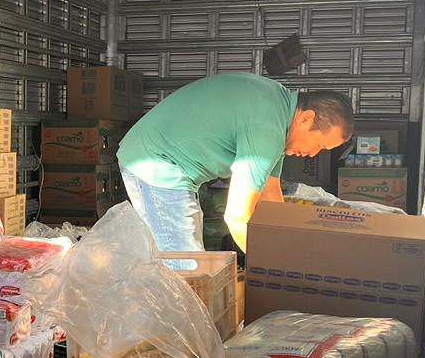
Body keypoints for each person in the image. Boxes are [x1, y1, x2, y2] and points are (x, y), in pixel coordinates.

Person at [116, 72, 353, 254]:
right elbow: (237, 217)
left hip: (161, 157)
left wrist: (284, 245)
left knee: (184, 264)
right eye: (320, 146)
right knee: (185, 265)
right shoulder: (267, 127)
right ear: (306, 119)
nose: (313, 154)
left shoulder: (278, 113)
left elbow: (270, 196)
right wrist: (274, 266)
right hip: (156, 161)